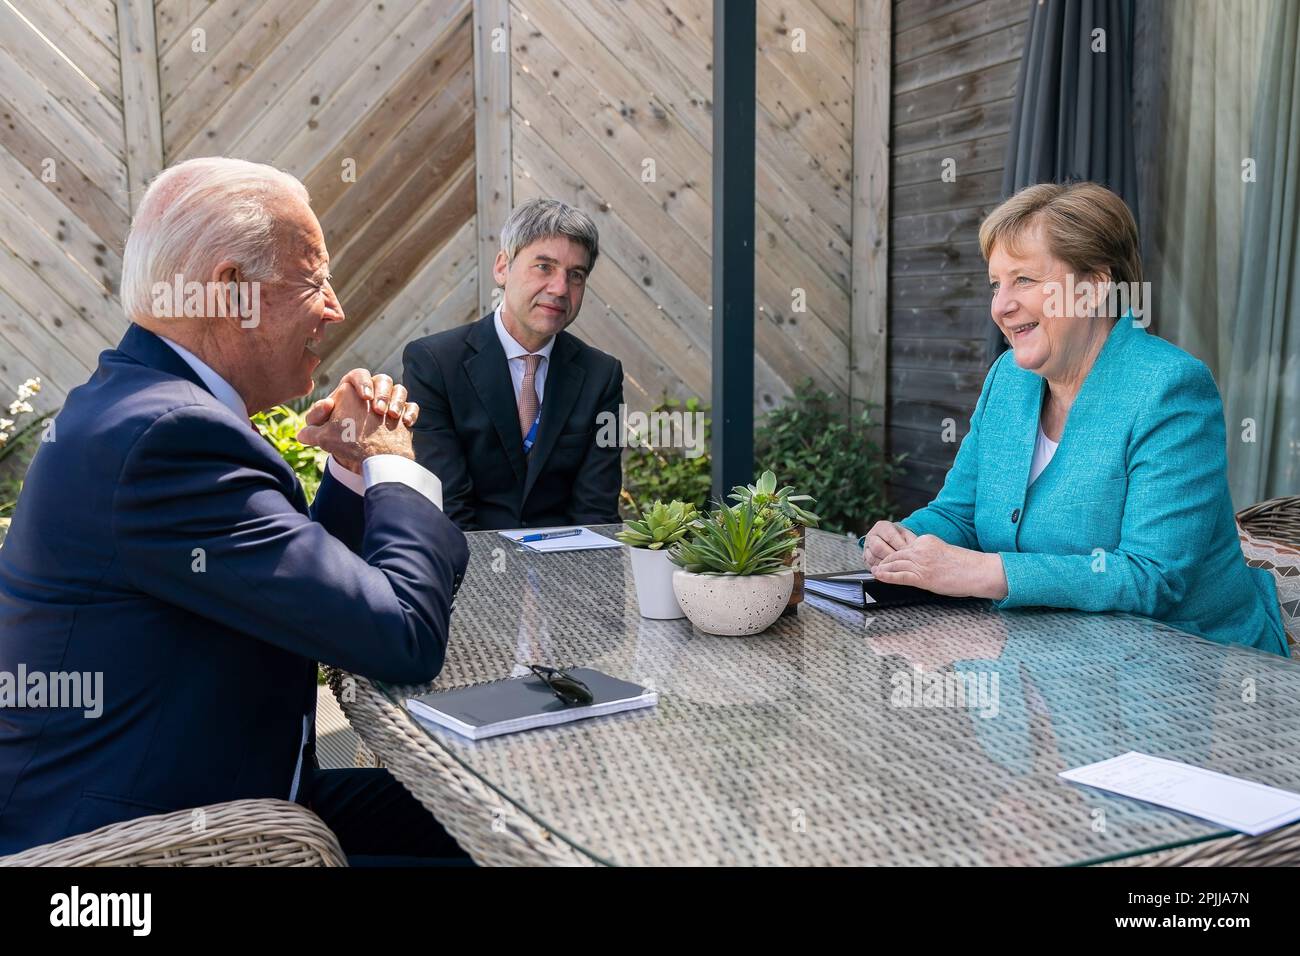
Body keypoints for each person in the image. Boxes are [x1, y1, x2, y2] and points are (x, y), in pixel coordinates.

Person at [0, 157, 472, 863]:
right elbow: (401, 638)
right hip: (145, 847)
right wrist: (392, 462)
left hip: (224, 794)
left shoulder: (142, 405)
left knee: (466, 823)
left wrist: (347, 471)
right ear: (230, 292)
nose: (335, 308)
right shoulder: (167, 437)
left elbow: (292, 593)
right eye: (314, 280)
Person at [864, 181, 1287, 656]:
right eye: (995, 284)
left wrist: (984, 572)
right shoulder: (1008, 378)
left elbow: (1152, 576)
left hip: (1190, 672)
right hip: (1042, 656)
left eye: (1023, 280)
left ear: (1093, 289)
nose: (1000, 306)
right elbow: (959, 513)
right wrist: (906, 541)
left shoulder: (1169, 389)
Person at [403, 198, 623, 531]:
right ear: (503, 267)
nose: (560, 288)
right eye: (544, 267)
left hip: (566, 569)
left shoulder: (601, 376)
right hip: (467, 566)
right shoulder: (434, 364)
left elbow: (596, 512)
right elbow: (447, 506)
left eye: (576, 275)